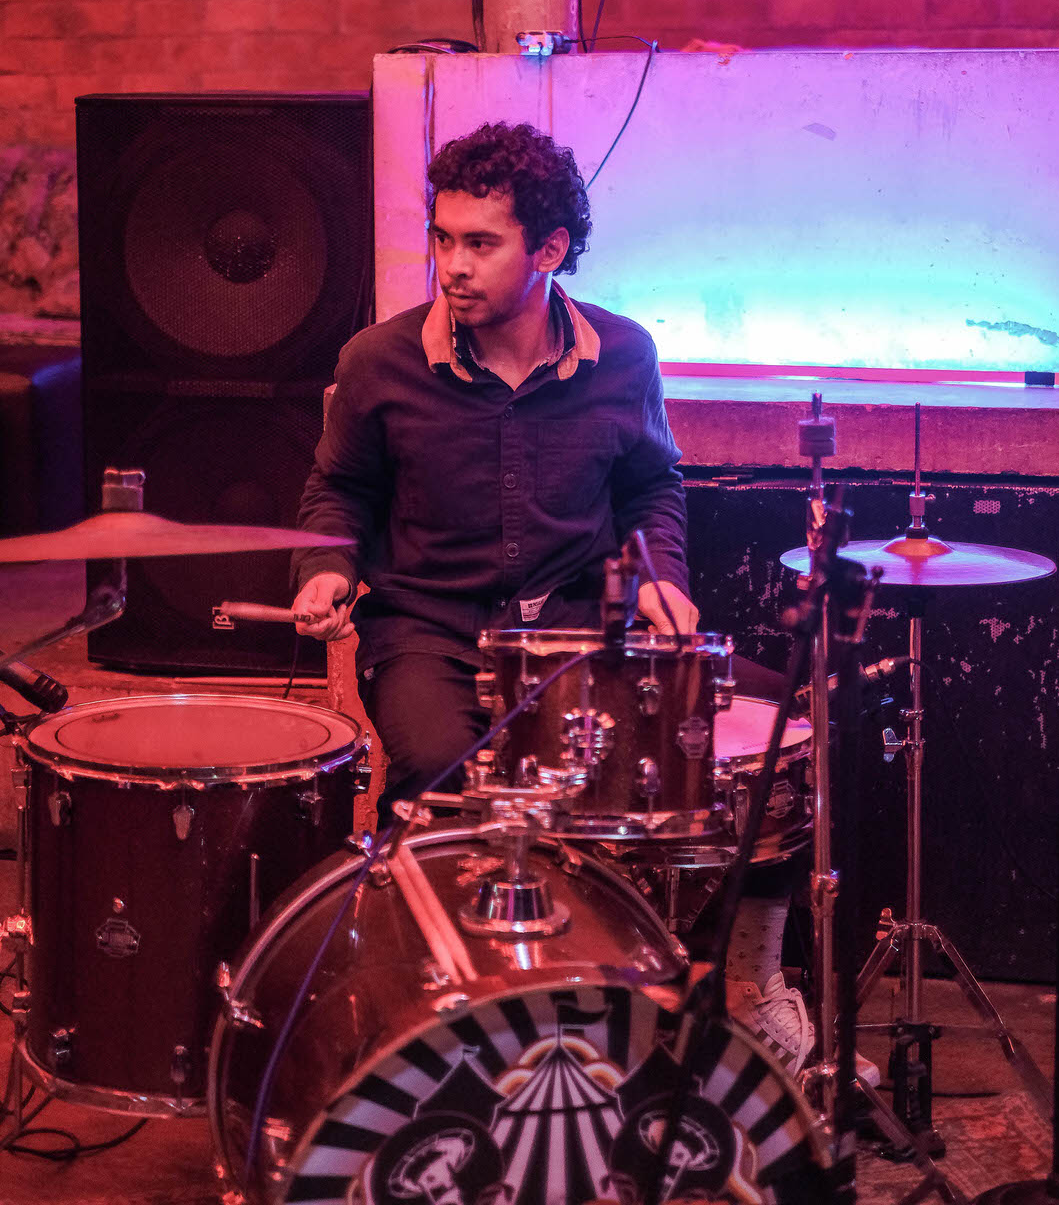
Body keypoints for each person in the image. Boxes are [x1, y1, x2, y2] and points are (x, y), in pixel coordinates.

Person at [289, 120, 858, 1084]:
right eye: (442, 238)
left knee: (776, 734)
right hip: (431, 626)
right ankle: (437, 1012)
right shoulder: (378, 361)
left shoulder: (624, 353)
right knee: (438, 769)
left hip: (582, 626)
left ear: (548, 250)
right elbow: (337, 490)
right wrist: (326, 568)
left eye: (480, 243)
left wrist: (664, 578)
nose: (452, 265)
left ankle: (750, 980)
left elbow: (651, 487)